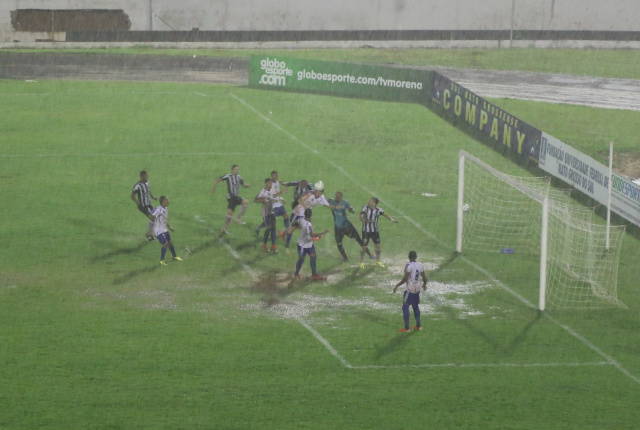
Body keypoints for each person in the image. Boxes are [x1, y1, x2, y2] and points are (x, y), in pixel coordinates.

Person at [284, 180, 333, 252]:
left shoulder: (320, 197)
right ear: (316, 191)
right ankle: (287, 244)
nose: (319, 194)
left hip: (305, 213)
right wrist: (306, 207)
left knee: (306, 226)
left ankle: (310, 237)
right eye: (318, 192)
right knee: (293, 228)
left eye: (320, 193)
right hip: (298, 212)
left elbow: (326, 204)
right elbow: (300, 200)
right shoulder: (309, 194)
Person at [328, 191, 374, 262]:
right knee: (340, 243)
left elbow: (351, 210)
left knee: (357, 239)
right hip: (341, 226)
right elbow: (326, 202)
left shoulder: (343, 203)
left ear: (341, 197)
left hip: (345, 226)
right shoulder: (337, 203)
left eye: (338, 196)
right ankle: (345, 257)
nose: (336, 197)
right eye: (336, 196)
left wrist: (351, 210)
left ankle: (369, 254)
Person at [210, 164, 251, 235]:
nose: (237, 171)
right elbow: (218, 180)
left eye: (238, 169)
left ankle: (225, 229)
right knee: (244, 203)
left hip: (235, 197)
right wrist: (213, 189)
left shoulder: (239, 177)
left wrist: (247, 185)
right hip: (231, 197)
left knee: (231, 213)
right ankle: (236, 219)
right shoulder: (228, 176)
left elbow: (243, 184)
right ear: (232, 170)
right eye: (236, 169)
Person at [393, 251, 428, 332]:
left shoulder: (408, 266)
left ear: (409, 257)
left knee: (405, 306)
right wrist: (425, 284)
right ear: (416, 257)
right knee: (415, 307)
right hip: (417, 288)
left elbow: (405, 278)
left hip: (410, 289)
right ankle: (418, 326)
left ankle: (406, 328)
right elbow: (424, 277)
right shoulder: (420, 265)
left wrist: (397, 285)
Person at [359, 197, 399, 268]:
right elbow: (361, 217)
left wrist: (392, 220)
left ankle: (378, 260)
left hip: (375, 231)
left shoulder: (378, 210)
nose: (369, 202)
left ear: (374, 203)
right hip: (366, 231)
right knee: (364, 247)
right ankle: (361, 262)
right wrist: (364, 219)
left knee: (378, 247)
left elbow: (385, 214)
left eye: (370, 201)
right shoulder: (365, 208)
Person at [294, 208, 329, 281]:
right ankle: (296, 274)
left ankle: (314, 275)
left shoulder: (302, 219)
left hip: (309, 243)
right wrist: (323, 233)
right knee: (302, 259)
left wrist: (299, 227)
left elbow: (296, 222)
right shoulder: (308, 224)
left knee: (313, 257)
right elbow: (312, 234)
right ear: (311, 215)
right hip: (303, 245)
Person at [255, 170, 289, 238]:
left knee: (285, 215)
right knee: (270, 221)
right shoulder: (270, 185)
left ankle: (287, 230)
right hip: (273, 205)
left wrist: (282, 199)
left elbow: (277, 193)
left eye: (276, 175)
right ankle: (258, 228)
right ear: (271, 176)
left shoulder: (277, 183)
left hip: (278, 204)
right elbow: (272, 195)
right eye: (274, 175)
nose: (275, 177)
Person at [151, 196, 183, 266]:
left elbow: (165, 219)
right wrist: (157, 216)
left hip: (164, 229)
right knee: (165, 243)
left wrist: (169, 227)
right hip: (158, 230)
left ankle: (174, 256)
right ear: (163, 201)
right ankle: (162, 260)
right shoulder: (158, 209)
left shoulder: (166, 209)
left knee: (170, 242)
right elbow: (151, 216)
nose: (168, 201)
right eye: (166, 200)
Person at [130, 170, 158, 240]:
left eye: (147, 175)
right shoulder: (137, 186)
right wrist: (137, 202)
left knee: (155, 217)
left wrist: (152, 197)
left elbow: (148, 191)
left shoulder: (147, 182)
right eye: (146, 176)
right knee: (152, 217)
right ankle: (150, 234)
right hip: (143, 206)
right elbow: (132, 196)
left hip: (149, 204)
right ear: (141, 177)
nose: (147, 177)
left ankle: (150, 234)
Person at [254, 177, 278, 254]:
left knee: (273, 228)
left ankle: (273, 246)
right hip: (265, 212)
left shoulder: (271, 191)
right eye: (269, 183)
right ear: (266, 183)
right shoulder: (262, 191)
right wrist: (262, 200)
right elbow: (255, 200)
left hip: (271, 212)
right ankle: (265, 245)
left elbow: (272, 197)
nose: (271, 185)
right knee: (269, 228)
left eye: (271, 183)